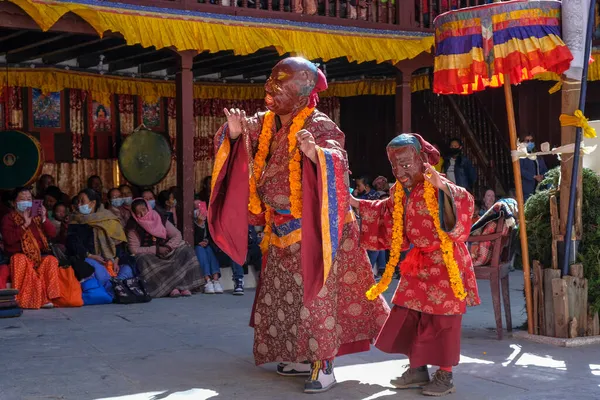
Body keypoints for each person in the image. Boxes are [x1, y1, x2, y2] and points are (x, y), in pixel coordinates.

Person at [209, 57, 389, 393]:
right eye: (270, 82)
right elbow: (239, 137)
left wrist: (314, 153)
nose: (269, 90)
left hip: (316, 230)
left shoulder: (320, 125)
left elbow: (336, 156)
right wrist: (233, 134)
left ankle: (324, 366)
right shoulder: (264, 122)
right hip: (279, 230)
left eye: (279, 86)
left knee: (316, 301)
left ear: (302, 95)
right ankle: (297, 357)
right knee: (285, 300)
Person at [351, 133, 480, 397]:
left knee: (443, 320)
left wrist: (443, 187)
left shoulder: (437, 183)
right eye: (395, 166)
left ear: (423, 161)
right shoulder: (399, 191)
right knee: (409, 314)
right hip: (418, 262)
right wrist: (354, 203)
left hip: (445, 262)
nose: (400, 171)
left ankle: (445, 375)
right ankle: (418, 368)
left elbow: (464, 199)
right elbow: (385, 211)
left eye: (406, 164)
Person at [126, 199, 203, 298]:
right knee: (143, 259)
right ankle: (170, 289)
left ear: (148, 208)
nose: (143, 214)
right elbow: (134, 249)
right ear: (134, 214)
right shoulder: (132, 227)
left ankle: (184, 286)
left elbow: (177, 234)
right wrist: (156, 249)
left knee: (186, 250)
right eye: (138, 213)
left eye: (144, 210)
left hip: (168, 250)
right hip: (152, 255)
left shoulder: (159, 218)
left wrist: (168, 246)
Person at [67, 188, 136, 295]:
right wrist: (90, 256)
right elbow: (73, 244)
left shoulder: (109, 218)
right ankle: (116, 288)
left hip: (111, 260)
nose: (79, 204)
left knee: (127, 268)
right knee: (99, 272)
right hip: (91, 259)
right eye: (78, 202)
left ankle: (116, 286)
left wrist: (116, 259)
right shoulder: (75, 220)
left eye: (82, 201)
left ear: (93, 203)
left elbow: (119, 243)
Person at [0, 187, 60, 309]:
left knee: (51, 260)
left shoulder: (37, 217)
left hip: (38, 256)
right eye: (22, 199)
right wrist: (24, 225)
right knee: (20, 259)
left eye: (29, 199)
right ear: (13, 202)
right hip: (19, 257)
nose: (26, 202)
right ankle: (27, 299)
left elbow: (52, 234)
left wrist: (43, 218)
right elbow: (9, 240)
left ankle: (49, 298)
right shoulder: (8, 218)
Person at [193, 201, 223, 294]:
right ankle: (207, 281)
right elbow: (195, 238)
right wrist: (199, 223)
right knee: (200, 250)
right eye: (197, 207)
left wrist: (206, 241)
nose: (200, 210)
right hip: (196, 247)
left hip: (206, 246)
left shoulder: (208, 221)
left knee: (209, 250)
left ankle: (215, 279)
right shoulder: (190, 222)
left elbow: (211, 236)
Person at [520, 134, 547, 200]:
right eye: (527, 141)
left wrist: (542, 176)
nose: (530, 143)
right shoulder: (521, 156)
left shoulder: (538, 155)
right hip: (527, 189)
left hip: (540, 188)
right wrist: (534, 176)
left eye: (531, 141)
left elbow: (545, 169)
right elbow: (520, 170)